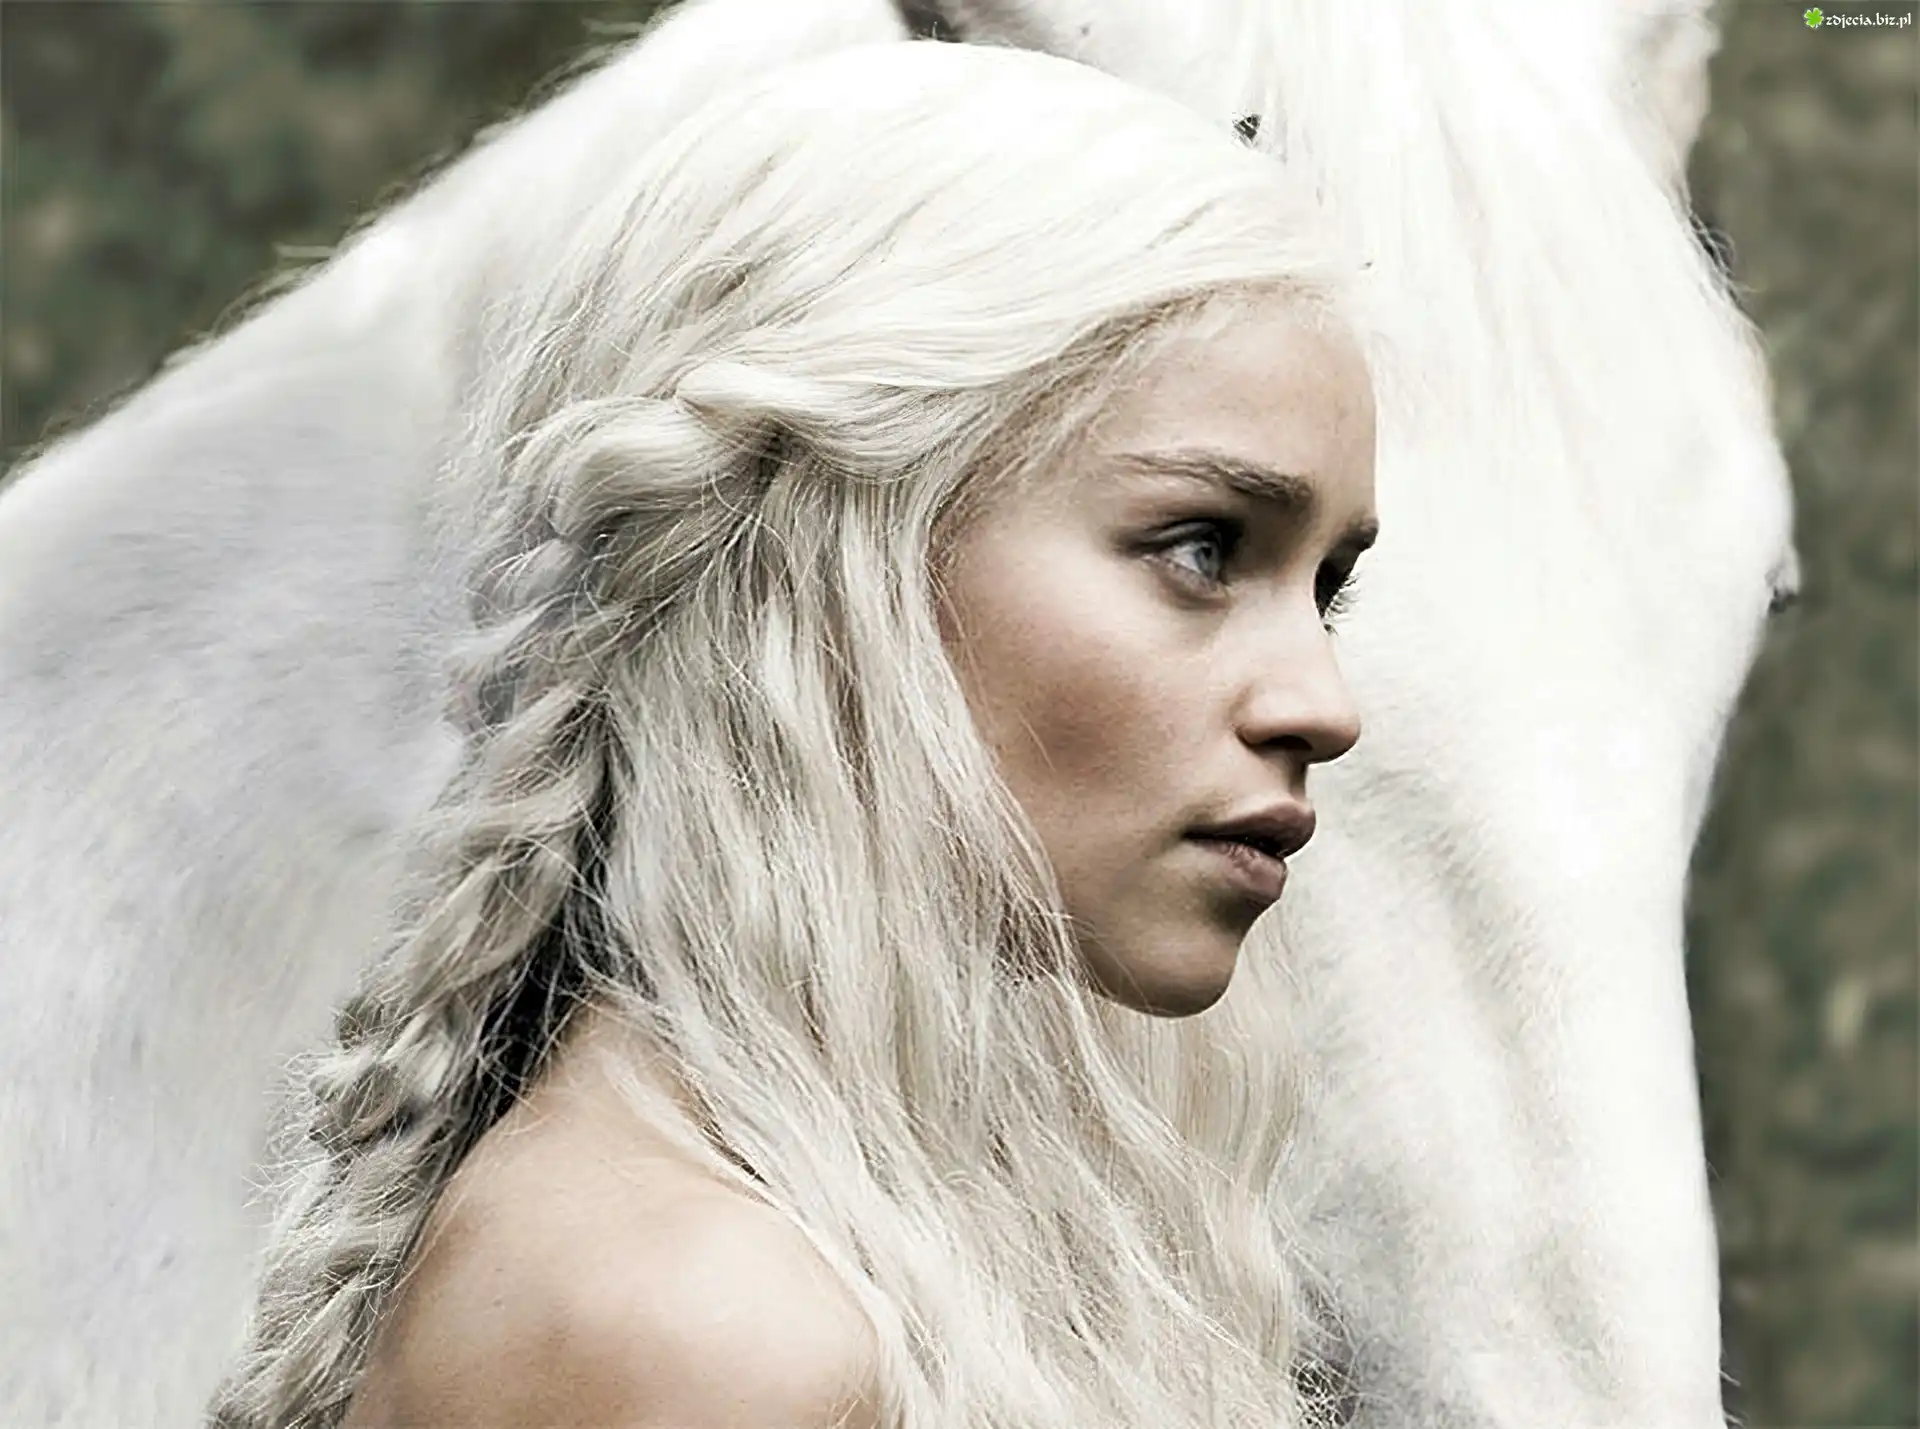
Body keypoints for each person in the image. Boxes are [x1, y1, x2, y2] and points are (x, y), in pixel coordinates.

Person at [209, 37, 1378, 1429]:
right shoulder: (687, 1324)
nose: (1323, 704)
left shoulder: (851, 1233)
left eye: (1325, 587)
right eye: (1201, 547)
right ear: (819, 553)